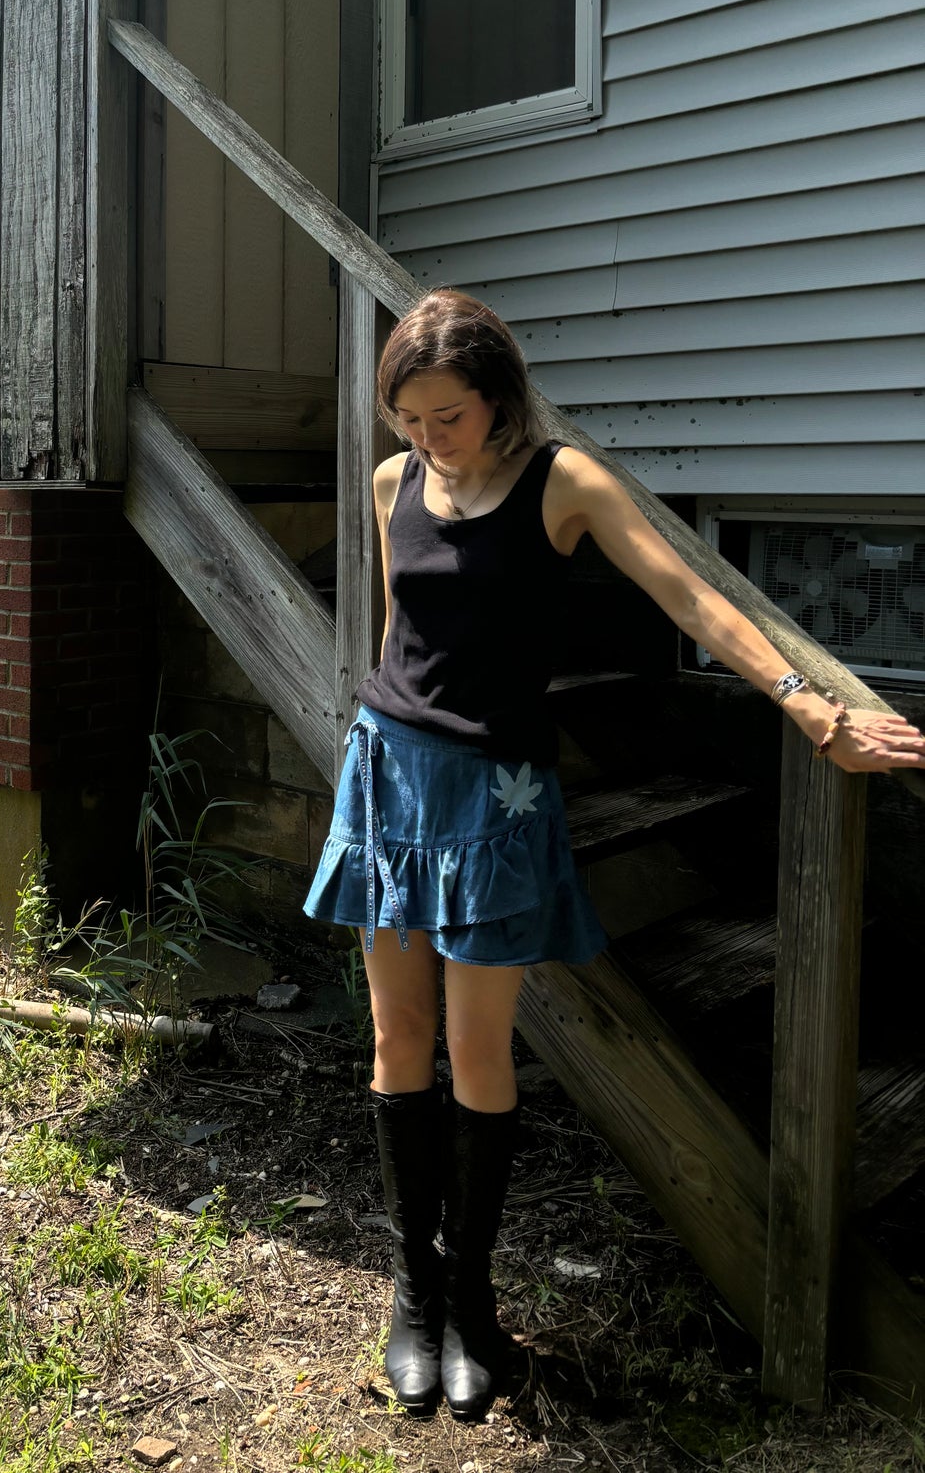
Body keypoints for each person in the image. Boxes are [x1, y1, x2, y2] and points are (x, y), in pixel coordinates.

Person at [303, 288, 925, 1422]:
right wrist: (374, 745)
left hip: (496, 796)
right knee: (395, 1038)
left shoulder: (564, 484)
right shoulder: (396, 485)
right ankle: (415, 1294)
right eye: (406, 418)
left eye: (444, 417)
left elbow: (687, 592)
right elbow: (404, 636)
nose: (423, 440)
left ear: (495, 400)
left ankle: (478, 1306)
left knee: (476, 1050)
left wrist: (802, 702)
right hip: (389, 776)